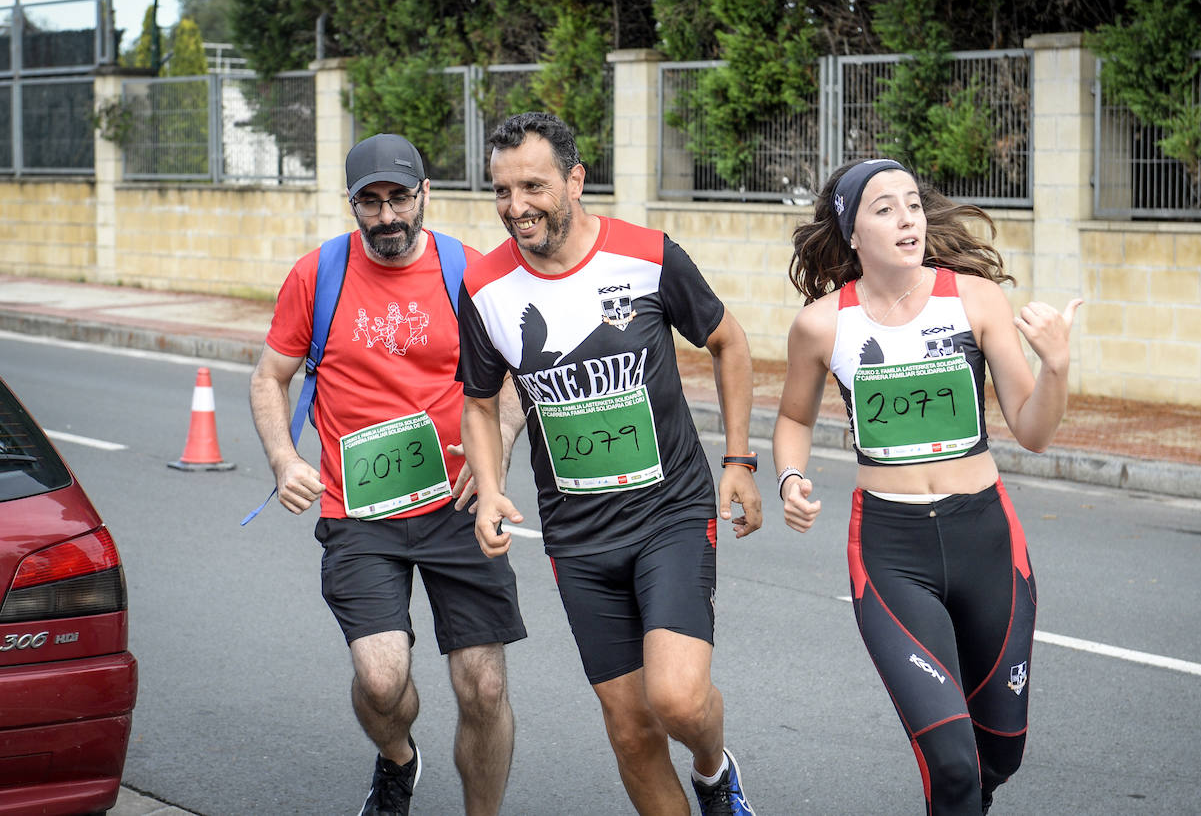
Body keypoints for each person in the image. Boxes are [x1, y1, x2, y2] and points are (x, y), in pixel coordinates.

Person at [458, 112, 763, 816]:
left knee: (679, 699)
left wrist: (740, 459)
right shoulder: (485, 287)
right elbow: (478, 402)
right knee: (630, 729)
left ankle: (716, 775)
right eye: (501, 190)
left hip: (670, 514)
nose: (516, 207)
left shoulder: (648, 255)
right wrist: (491, 490)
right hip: (579, 537)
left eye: (532, 185)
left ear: (574, 179)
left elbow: (729, 340)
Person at [772, 158, 1082, 814]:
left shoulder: (973, 298)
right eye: (883, 208)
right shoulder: (823, 324)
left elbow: (1033, 429)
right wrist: (790, 475)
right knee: (951, 762)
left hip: (987, 540)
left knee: (997, 753)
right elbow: (794, 418)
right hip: (891, 549)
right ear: (852, 233)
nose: (906, 217)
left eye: (912, 203)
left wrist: (1056, 366)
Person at [248, 133, 527, 816]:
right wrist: (285, 458)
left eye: (399, 197)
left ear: (425, 193)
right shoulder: (318, 275)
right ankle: (398, 757)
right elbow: (269, 377)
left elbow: (513, 382)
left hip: (458, 502)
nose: (387, 216)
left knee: (482, 688)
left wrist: (495, 463)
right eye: (369, 202)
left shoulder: (470, 270)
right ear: (352, 204)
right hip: (359, 508)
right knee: (380, 680)